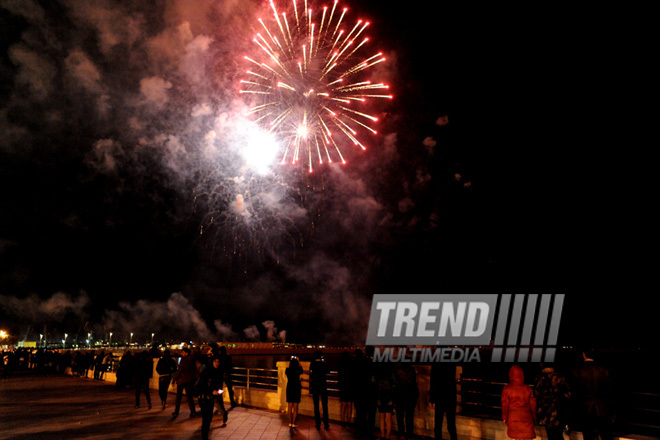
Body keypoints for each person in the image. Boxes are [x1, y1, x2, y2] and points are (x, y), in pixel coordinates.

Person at [570, 351, 613, 440]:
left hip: (585, 407)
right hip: (602, 407)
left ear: (584, 354)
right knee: (605, 434)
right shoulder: (603, 370)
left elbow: (574, 390)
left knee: (588, 434)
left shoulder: (577, 370)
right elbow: (609, 390)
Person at [534, 363, 571, 440]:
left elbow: (537, 393)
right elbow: (567, 394)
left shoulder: (539, 378)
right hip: (558, 410)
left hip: (545, 411)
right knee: (559, 434)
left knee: (550, 434)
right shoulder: (559, 377)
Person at [501, 365, 537, 440]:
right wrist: (534, 419)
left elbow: (505, 404)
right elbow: (533, 406)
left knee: (517, 437)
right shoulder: (528, 388)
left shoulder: (507, 388)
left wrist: (504, 418)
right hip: (527, 419)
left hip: (513, 418)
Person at [196, 356, 225, 440]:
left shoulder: (218, 372)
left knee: (209, 418)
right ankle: (204, 437)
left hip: (211, 398)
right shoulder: (206, 372)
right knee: (206, 418)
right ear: (212, 362)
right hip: (204, 398)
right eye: (215, 361)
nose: (217, 363)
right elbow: (201, 387)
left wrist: (217, 391)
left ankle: (205, 436)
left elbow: (216, 384)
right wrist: (211, 391)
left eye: (218, 362)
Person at [429, 364, 458, 440]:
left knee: (438, 424)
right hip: (450, 397)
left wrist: (431, 399)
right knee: (451, 424)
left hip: (440, 397)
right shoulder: (452, 364)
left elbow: (433, 382)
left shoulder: (436, 365)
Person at [393, 361, 418, 439]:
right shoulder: (412, 370)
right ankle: (409, 434)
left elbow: (395, 383)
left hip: (399, 396)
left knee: (400, 417)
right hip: (411, 396)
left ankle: (401, 434)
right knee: (409, 417)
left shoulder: (397, 370)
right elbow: (414, 384)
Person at [171, 347, 199, 418]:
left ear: (186, 353)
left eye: (182, 352)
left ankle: (176, 412)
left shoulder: (183, 360)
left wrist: (174, 379)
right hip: (189, 381)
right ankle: (193, 411)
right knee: (189, 397)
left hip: (182, 381)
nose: (181, 353)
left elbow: (179, 370)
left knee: (178, 397)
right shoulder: (192, 360)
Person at [310, 350, 330, 430]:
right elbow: (328, 371)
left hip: (315, 386)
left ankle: (317, 423)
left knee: (316, 406)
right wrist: (324, 362)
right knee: (325, 405)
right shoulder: (323, 364)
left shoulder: (313, 364)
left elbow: (311, 372)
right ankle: (326, 423)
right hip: (323, 386)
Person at [375, 362, 395, 440]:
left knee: (382, 416)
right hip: (389, 395)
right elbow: (394, 383)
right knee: (388, 417)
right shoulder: (391, 373)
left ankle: (382, 435)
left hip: (381, 395)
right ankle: (387, 436)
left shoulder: (378, 372)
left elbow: (376, 383)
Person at [338, 351, 356, 426]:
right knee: (349, 404)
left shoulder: (340, 363)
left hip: (343, 385)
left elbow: (339, 374)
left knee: (343, 404)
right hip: (350, 385)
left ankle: (342, 420)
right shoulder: (352, 363)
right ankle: (349, 420)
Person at [286, 356, 303, 428]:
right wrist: (298, 360)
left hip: (289, 387)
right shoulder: (298, 370)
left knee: (290, 406)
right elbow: (301, 369)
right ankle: (293, 422)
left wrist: (291, 361)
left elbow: (288, 369)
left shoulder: (288, 370)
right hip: (296, 387)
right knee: (295, 407)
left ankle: (289, 422)